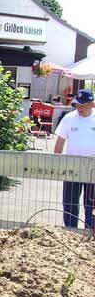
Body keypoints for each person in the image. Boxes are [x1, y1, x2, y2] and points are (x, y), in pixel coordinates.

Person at [53, 89, 95, 228]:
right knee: (70, 202)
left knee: (92, 204)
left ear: (92, 104)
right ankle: (71, 231)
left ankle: (90, 232)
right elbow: (60, 141)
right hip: (72, 166)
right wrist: (56, 162)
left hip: (92, 167)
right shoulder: (69, 118)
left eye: (83, 105)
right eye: (77, 105)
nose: (79, 108)